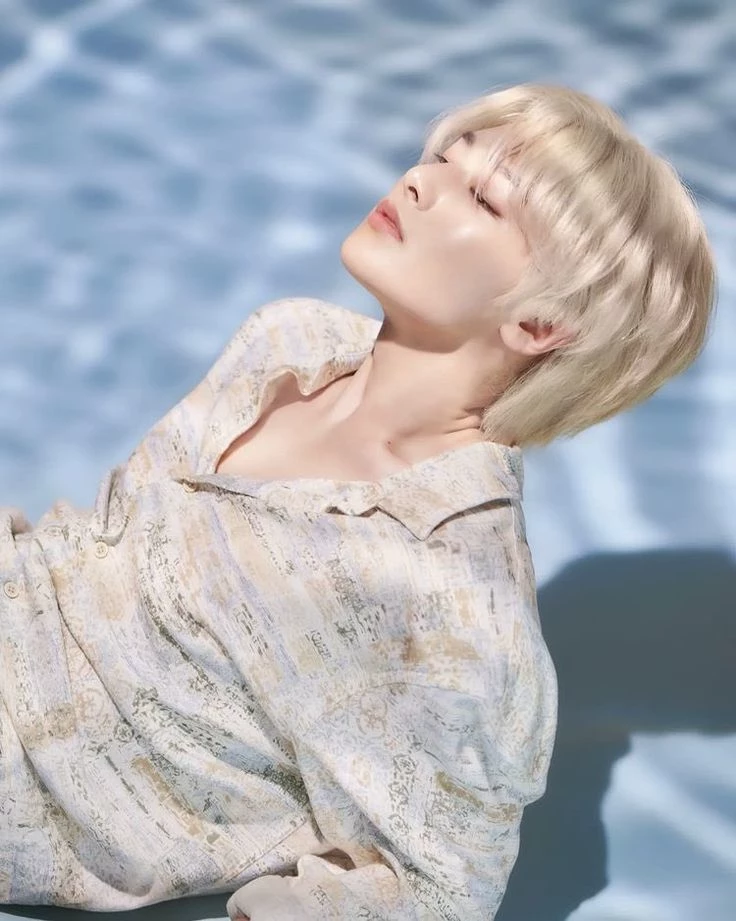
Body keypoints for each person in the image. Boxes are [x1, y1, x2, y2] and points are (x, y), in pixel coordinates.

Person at [0, 83, 715, 921]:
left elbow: (442, 885)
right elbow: (109, 551)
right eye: (441, 157)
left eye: (483, 198)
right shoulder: (287, 342)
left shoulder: (448, 595)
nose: (418, 181)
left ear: (540, 323)